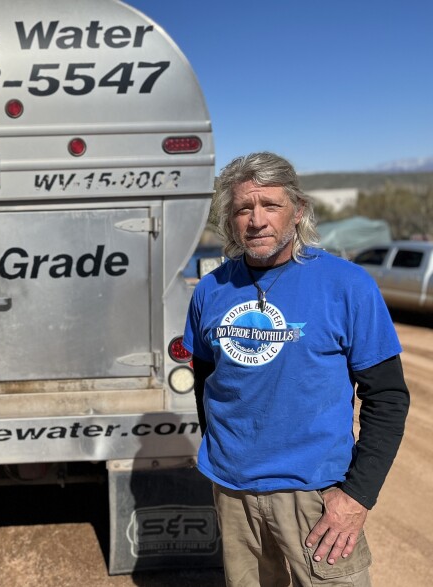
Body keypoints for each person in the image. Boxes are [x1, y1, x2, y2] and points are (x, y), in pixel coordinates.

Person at [183, 152, 410, 586]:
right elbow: (205, 381)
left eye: (270, 205)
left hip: (315, 496)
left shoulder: (347, 285)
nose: (256, 220)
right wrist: (223, 451)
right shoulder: (211, 290)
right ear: (229, 220)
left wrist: (357, 496)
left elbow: (387, 397)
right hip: (234, 494)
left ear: (298, 210)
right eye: (243, 208)